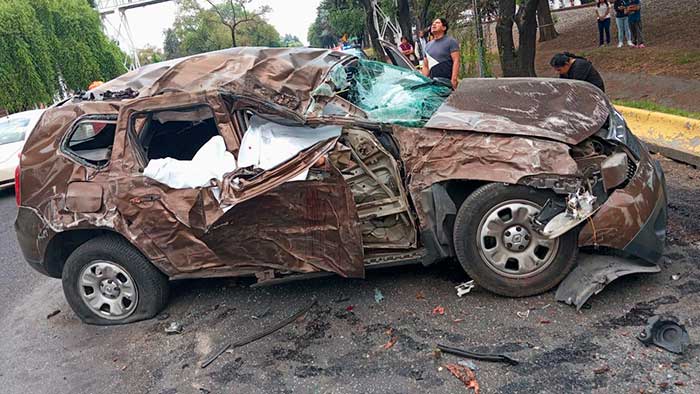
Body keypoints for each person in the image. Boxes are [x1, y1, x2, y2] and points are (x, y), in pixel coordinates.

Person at [421, 18, 460, 90]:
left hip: (447, 83)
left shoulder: (451, 42)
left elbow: (456, 61)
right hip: (433, 84)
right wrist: (424, 81)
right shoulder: (427, 45)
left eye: (437, 23)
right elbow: (426, 66)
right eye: (433, 23)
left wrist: (454, 79)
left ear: (444, 28)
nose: (434, 24)